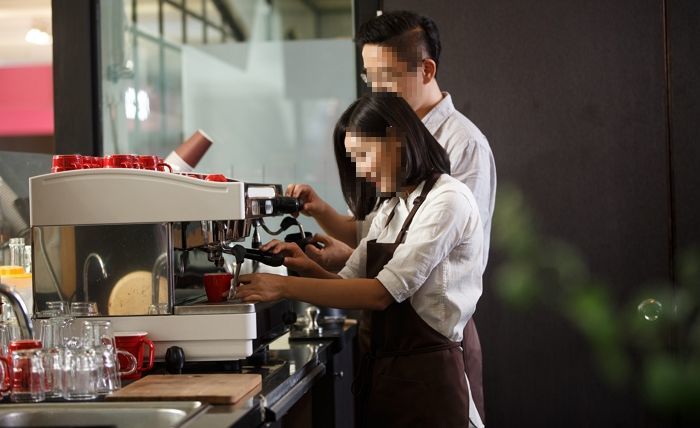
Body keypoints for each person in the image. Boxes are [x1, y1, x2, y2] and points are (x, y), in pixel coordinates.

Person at [286, 10, 494, 422]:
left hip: (432, 335)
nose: (376, 91)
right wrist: (324, 241)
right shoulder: (392, 176)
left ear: (426, 69)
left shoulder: (461, 148)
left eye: (386, 78)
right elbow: (375, 237)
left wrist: (283, 288)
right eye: (369, 78)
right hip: (387, 340)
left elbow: (416, 262)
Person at [237, 93, 484, 428]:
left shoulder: (448, 199)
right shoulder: (392, 205)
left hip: (430, 379)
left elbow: (379, 294)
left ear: (397, 138)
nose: (363, 170)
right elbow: (346, 285)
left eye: (366, 154)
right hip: (389, 375)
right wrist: (306, 268)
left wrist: (283, 286)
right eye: (356, 159)